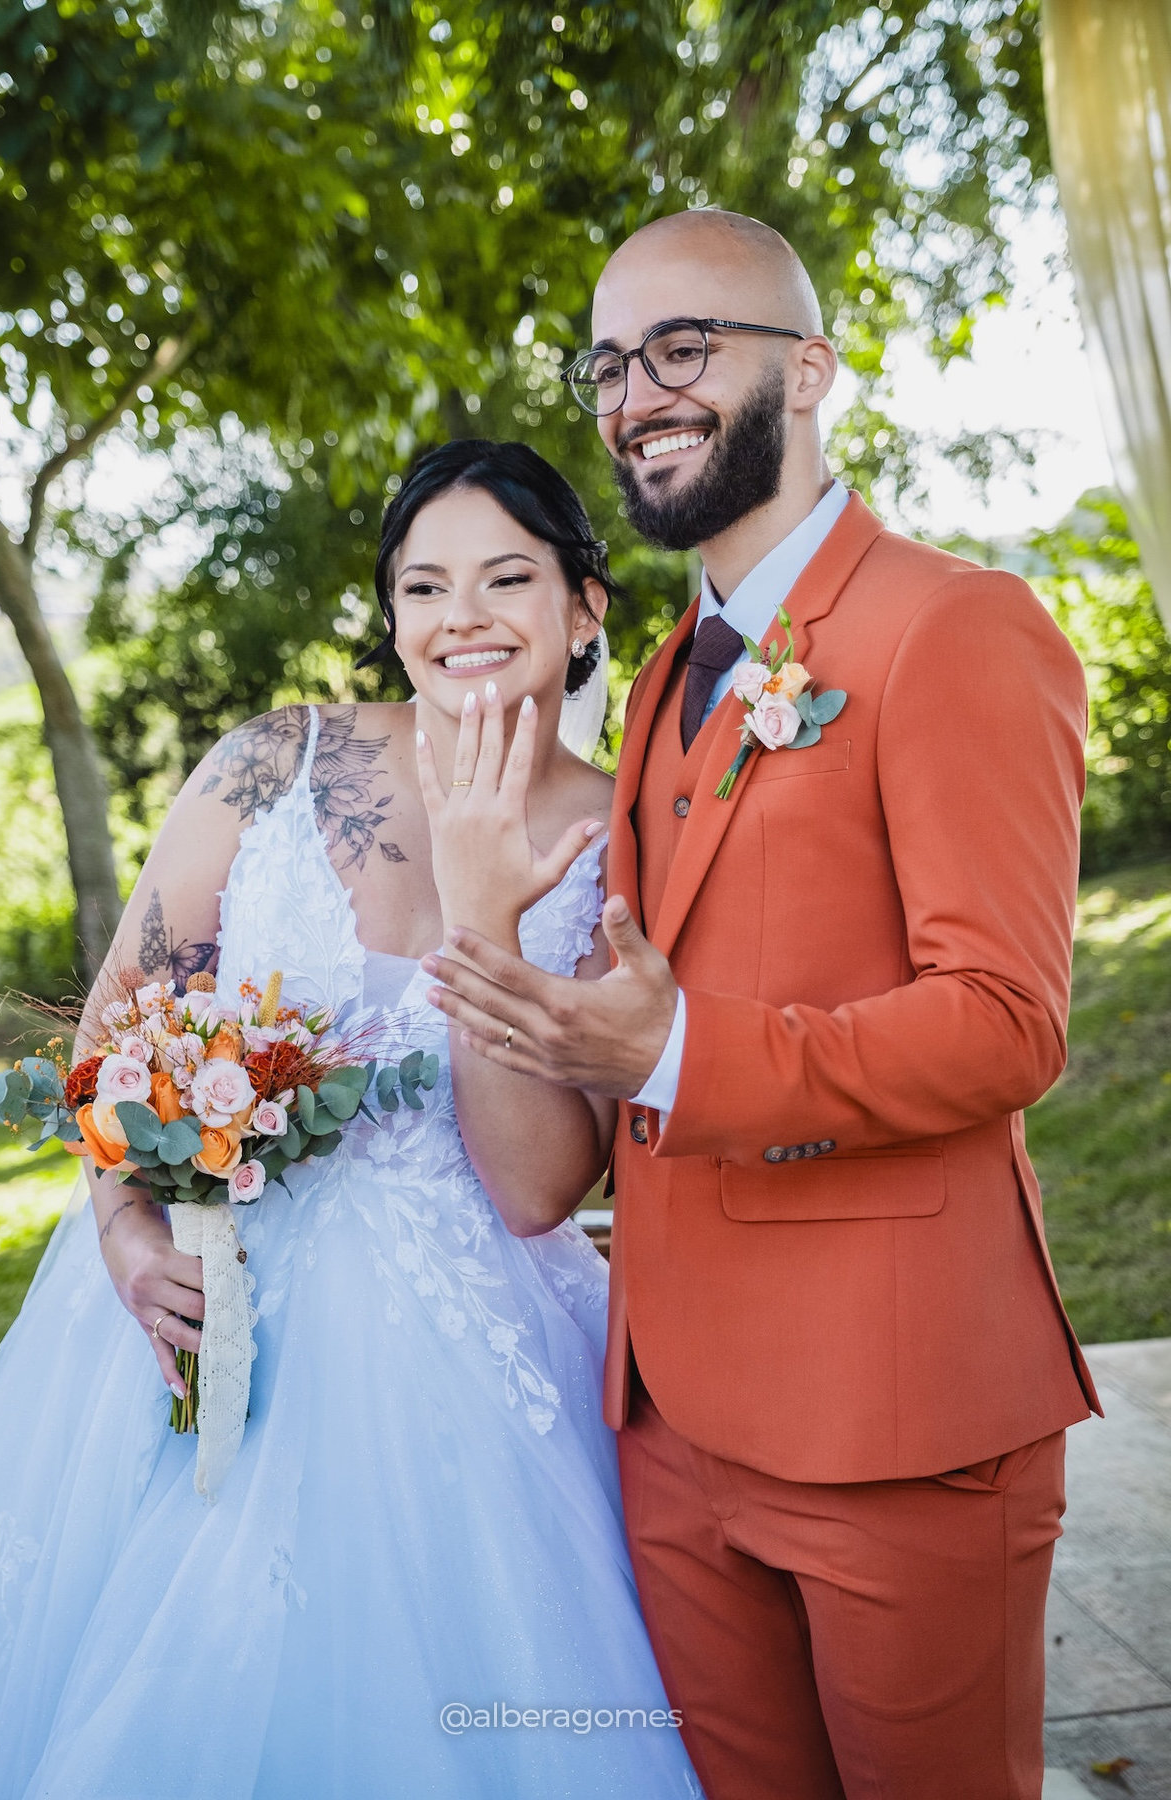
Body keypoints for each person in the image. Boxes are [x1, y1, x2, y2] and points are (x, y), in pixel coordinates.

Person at [424, 210, 1103, 1800]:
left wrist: (673, 1052)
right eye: (610, 362)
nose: (637, 392)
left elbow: (1009, 1021)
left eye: (683, 347)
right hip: (668, 1425)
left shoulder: (956, 627)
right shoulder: (668, 675)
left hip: (898, 1419)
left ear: (809, 369)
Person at [0, 440, 704, 1800]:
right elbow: (118, 1031)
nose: (459, 618)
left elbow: (540, 1191)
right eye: (422, 587)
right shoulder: (274, 762)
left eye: (506, 578)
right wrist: (130, 1237)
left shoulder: (625, 843)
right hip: (192, 1290)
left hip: (468, 1343)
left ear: (585, 605)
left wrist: (486, 915)